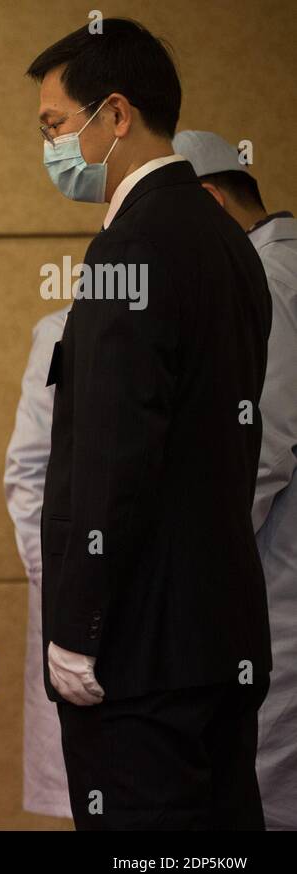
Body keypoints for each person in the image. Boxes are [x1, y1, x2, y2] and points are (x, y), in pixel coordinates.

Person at [28, 20, 272, 829]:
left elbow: (113, 452)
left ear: (117, 115)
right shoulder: (231, 243)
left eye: (57, 126)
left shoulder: (130, 247)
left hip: (138, 655)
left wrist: (77, 625)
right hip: (220, 632)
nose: (53, 149)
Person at [173, 129, 297, 830]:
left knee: (265, 800)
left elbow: (261, 452)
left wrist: (182, 564)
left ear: (210, 204)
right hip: (266, 589)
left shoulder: (270, 283)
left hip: (275, 595)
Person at [4, 305, 73, 820]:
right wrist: (60, 586)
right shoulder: (61, 333)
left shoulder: (211, 323)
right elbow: (28, 472)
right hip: (76, 593)